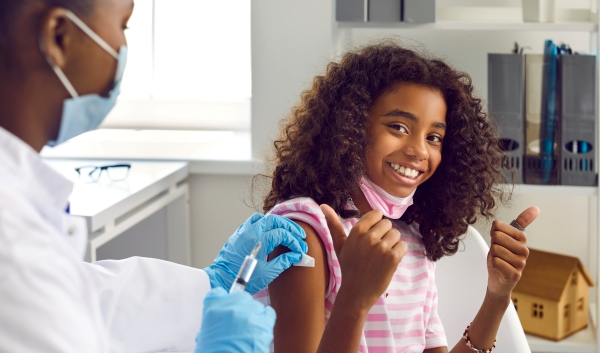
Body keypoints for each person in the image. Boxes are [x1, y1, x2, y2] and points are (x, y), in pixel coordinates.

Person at [0, 1, 407, 352]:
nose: (123, 49)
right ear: (58, 35)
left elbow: (87, 298)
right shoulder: (13, 240)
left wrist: (211, 284)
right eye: (123, 25)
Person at [254, 42, 540, 352]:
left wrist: (497, 298)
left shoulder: (411, 238)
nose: (418, 150)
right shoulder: (300, 232)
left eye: (434, 137)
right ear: (350, 127)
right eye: (398, 126)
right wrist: (355, 296)